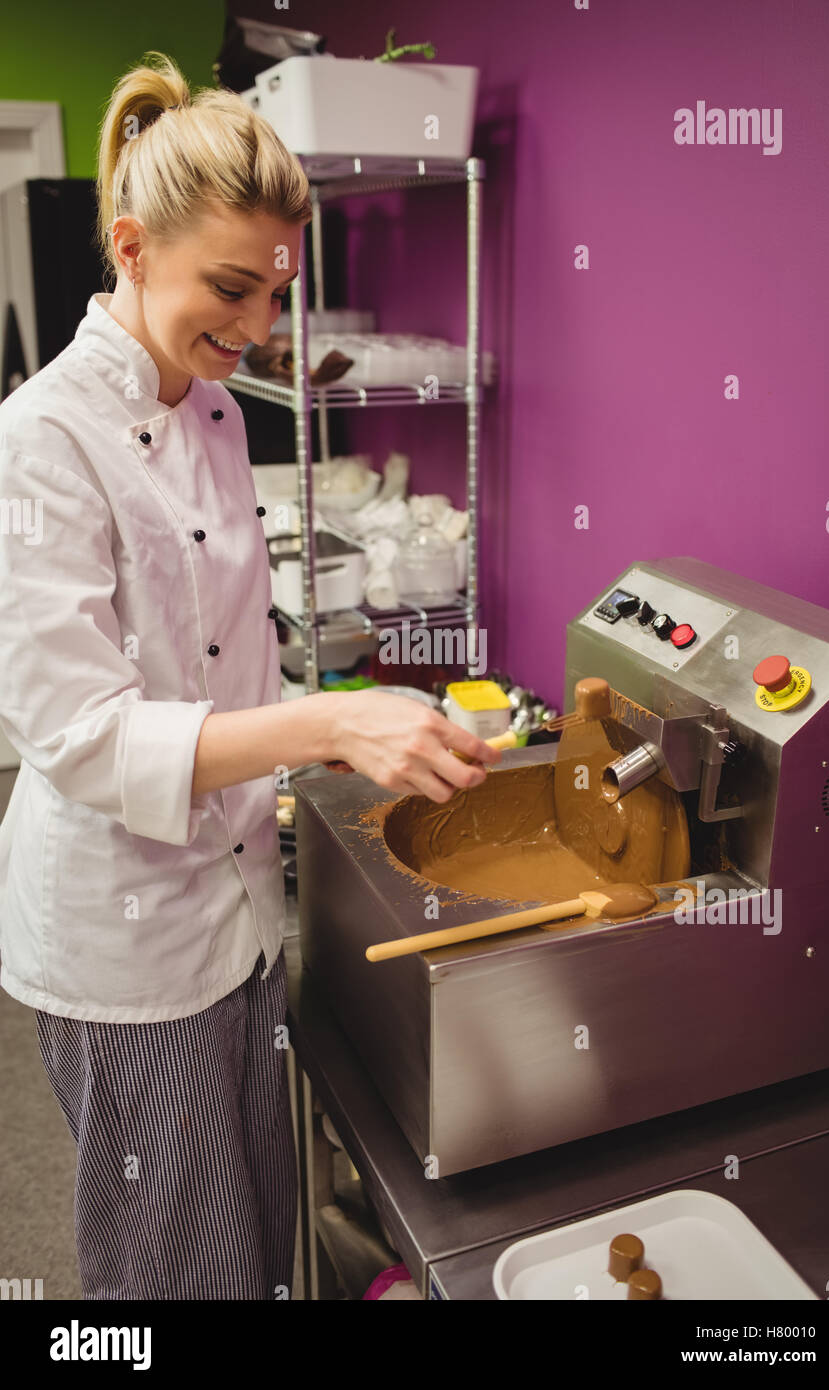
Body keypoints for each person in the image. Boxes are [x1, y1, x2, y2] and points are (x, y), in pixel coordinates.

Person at [0, 51, 499, 1300]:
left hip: (232, 905)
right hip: (128, 941)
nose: (260, 329)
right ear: (129, 243)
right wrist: (321, 721)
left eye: (274, 291)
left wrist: (325, 729)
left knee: (250, 1237)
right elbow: (86, 737)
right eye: (230, 288)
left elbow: (229, 652)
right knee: (169, 1277)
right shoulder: (40, 443)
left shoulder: (218, 410)